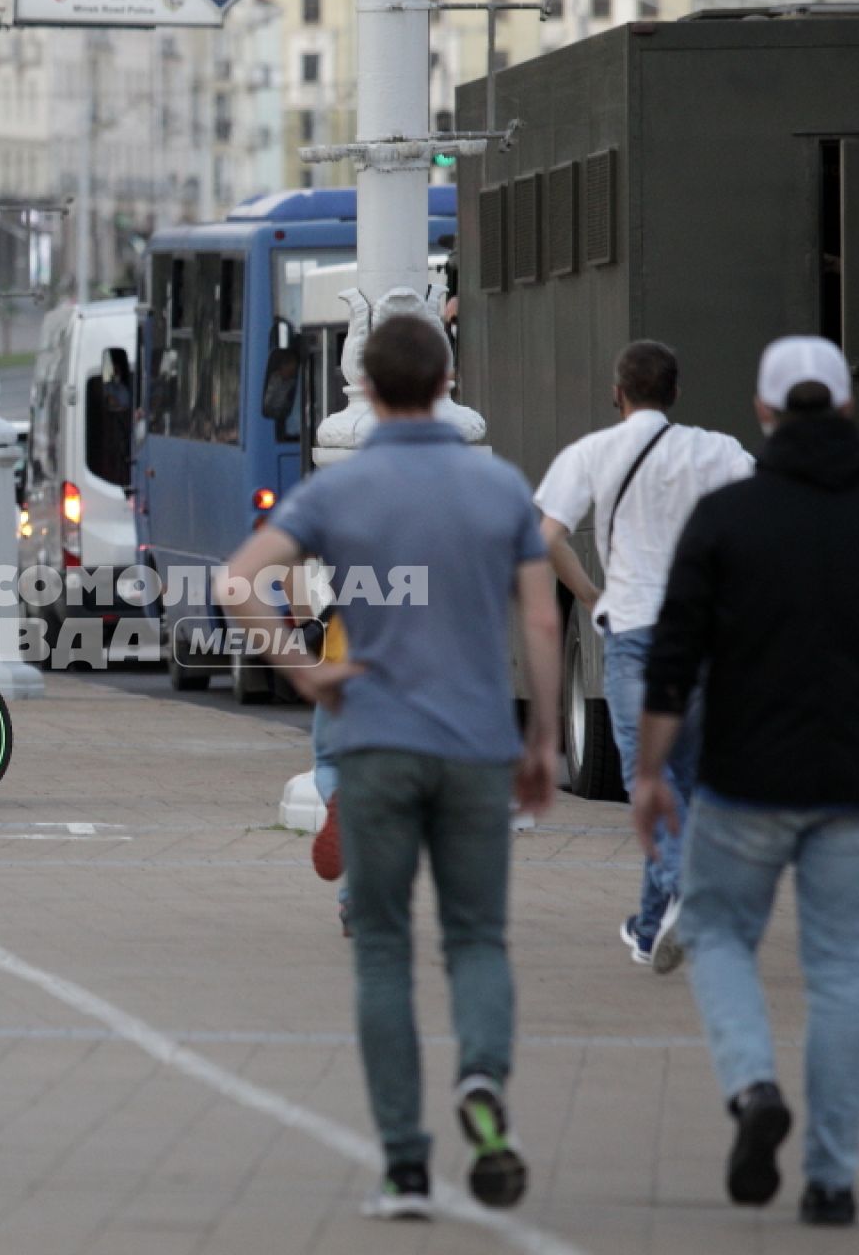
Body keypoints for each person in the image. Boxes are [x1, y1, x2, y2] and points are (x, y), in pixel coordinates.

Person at [218, 315, 561, 1220]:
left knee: (380, 951)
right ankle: (483, 1082)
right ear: (448, 380)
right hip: (478, 747)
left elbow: (236, 583)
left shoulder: (345, 488)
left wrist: (302, 671)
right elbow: (539, 622)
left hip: (373, 742)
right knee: (477, 938)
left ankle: (405, 1167)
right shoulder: (498, 487)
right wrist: (545, 739)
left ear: (365, 391)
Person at [632, 336, 859, 1229]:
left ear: (764, 415)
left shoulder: (728, 518)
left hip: (742, 781)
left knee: (723, 934)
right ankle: (831, 1181)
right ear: (849, 407)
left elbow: (672, 660)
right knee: (843, 973)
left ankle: (753, 1089)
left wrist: (652, 772)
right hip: (857, 782)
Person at [535, 341, 753, 972]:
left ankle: (692, 890)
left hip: (635, 636)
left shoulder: (593, 453)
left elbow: (542, 535)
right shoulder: (717, 451)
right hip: (703, 638)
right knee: (682, 780)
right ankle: (649, 926)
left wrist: (584, 592)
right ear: (676, 392)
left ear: (617, 393)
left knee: (649, 783)